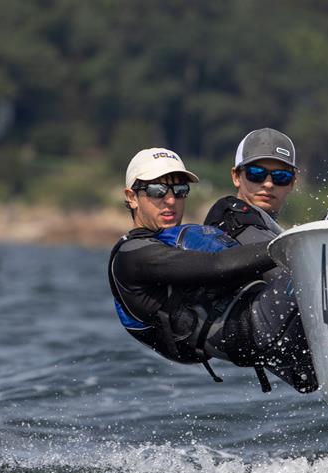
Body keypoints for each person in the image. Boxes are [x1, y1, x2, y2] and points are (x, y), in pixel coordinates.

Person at [108, 146, 317, 393]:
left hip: (259, 332)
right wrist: (301, 242)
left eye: (180, 190)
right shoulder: (133, 256)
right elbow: (219, 265)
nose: (171, 200)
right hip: (247, 328)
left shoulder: (173, 240)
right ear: (132, 197)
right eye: (157, 191)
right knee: (322, 260)